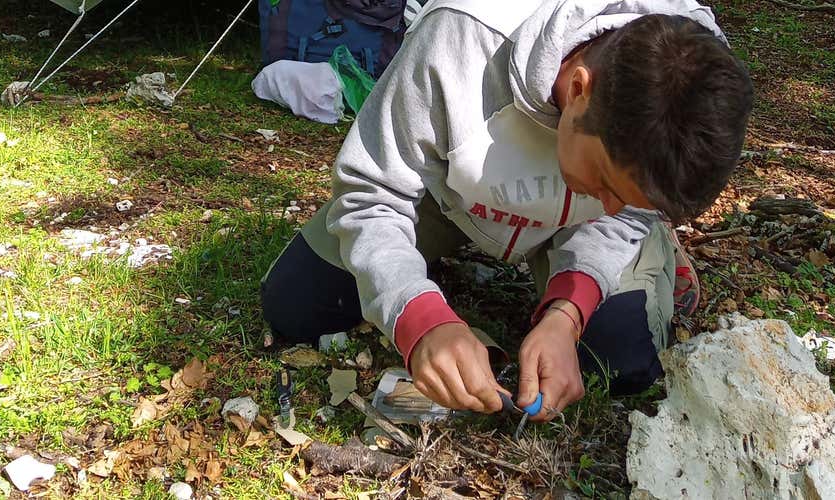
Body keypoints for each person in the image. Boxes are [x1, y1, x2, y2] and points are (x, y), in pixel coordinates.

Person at [260, 0, 753, 421]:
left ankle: (655, 258)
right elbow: (373, 189)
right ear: (578, 89)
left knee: (622, 363)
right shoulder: (461, 35)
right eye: (603, 180)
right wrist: (421, 317)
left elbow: (625, 215)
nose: (608, 204)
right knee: (297, 305)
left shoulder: (695, 78)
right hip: (450, 195)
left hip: (569, 228)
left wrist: (568, 315)